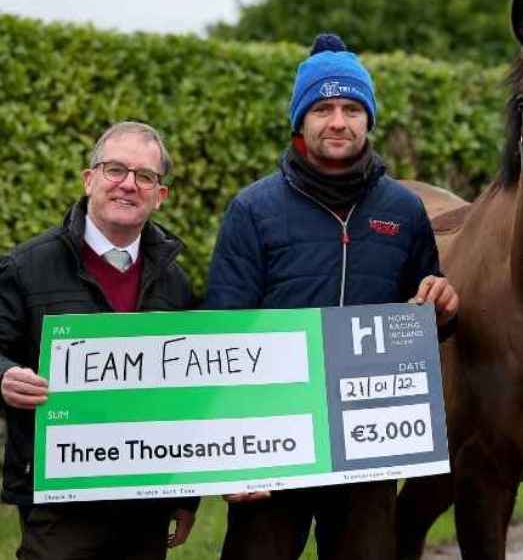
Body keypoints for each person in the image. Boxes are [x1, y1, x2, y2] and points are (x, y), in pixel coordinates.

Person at [205, 33, 459, 560]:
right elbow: (222, 333)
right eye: (322, 108)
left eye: (350, 108)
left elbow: (421, 322)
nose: (338, 121)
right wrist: (232, 451)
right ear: (300, 120)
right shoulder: (253, 209)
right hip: (272, 441)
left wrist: (443, 308)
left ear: (368, 118)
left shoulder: (405, 211)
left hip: (368, 448)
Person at [0, 121, 198, 559]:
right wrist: (5, 376)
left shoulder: (175, 283)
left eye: (144, 176)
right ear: (90, 179)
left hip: (147, 492)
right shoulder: (26, 267)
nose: (128, 184)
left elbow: (190, 397)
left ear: (159, 195)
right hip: (58, 495)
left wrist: (186, 497)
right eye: (114, 170)